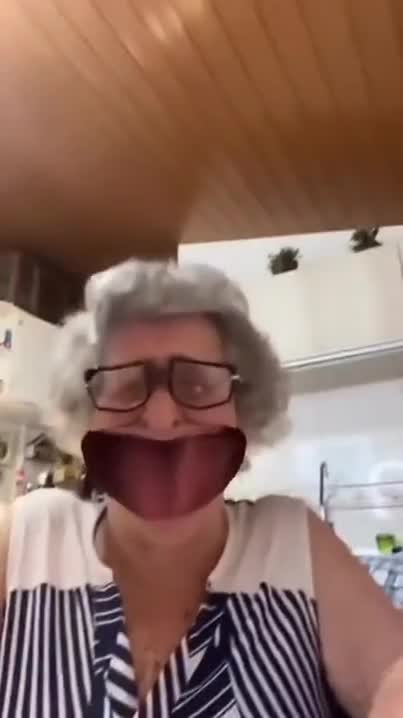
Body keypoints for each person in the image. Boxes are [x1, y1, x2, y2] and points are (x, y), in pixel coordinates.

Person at [0, 258, 402, 717]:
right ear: (87, 412)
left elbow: (392, 673)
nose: (161, 417)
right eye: (127, 385)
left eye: (196, 384)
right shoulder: (29, 537)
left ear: (242, 408)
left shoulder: (292, 540)